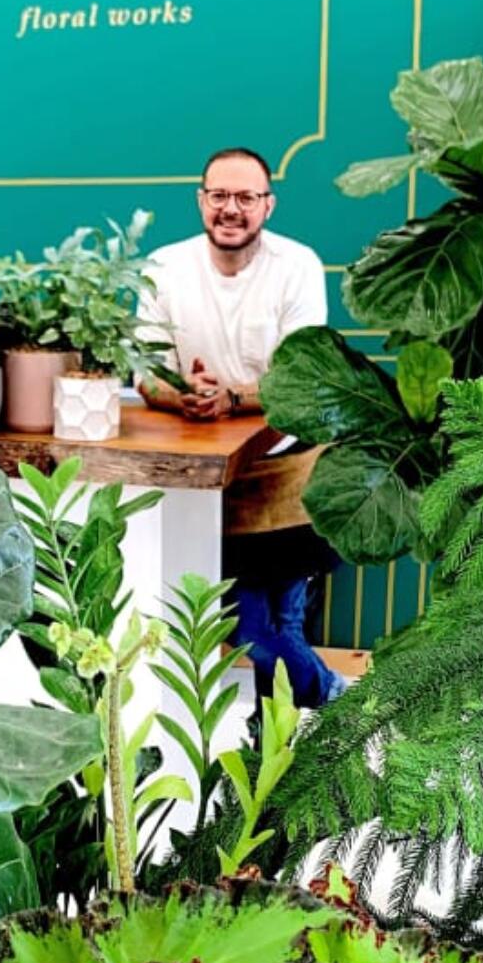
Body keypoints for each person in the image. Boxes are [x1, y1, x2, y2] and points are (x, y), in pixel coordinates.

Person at [138, 144, 345, 708]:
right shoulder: (163, 267)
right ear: (201, 201)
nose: (232, 209)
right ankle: (327, 698)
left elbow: (301, 379)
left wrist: (233, 398)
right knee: (255, 637)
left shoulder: (297, 265)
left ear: (268, 206)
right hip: (210, 482)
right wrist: (184, 396)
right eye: (220, 196)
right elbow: (145, 371)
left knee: (275, 634)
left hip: (289, 471)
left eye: (246, 197)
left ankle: (307, 715)